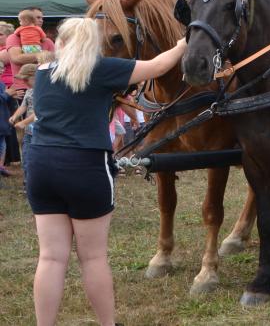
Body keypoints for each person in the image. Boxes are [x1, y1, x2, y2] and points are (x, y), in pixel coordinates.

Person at [27, 17, 188, 326]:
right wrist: (182, 44)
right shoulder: (103, 70)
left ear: (60, 41)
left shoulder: (43, 72)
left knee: (50, 257)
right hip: (85, 167)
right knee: (93, 258)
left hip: (41, 165)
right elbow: (156, 67)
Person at [9, 63, 37, 175]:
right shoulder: (29, 90)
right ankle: (27, 183)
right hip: (29, 132)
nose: (24, 82)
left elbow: (40, 111)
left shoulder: (44, 91)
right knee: (26, 157)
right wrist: (14, 116)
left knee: (37, 160)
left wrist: (24, 122)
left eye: (26, 79)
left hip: (40, 131)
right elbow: (23, 106)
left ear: (36, 77)